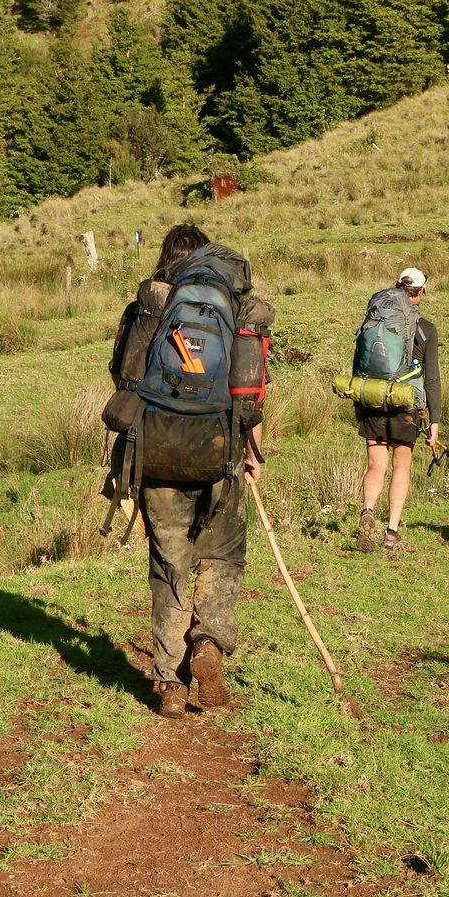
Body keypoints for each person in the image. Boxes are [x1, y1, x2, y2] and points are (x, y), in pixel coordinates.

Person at [138, 224, 269, 718]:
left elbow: (127, 381)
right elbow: (250, 388)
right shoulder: (234, 305)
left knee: (169, 564)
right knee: (224, 554)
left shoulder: (150, 307)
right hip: (220, 451)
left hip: (158, 452)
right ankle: (209, 642)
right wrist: (252, 451)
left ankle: (170, 684)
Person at [355, 267, 442, 552]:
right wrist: (435, 421)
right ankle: (391, 531)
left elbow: (359, 362)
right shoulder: (426, 329)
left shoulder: (376, 318)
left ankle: (368, 509)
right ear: (420, 293)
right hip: (406, 405)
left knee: (375, 465)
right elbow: (432, 379)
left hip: (374, 399)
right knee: (401, 464)